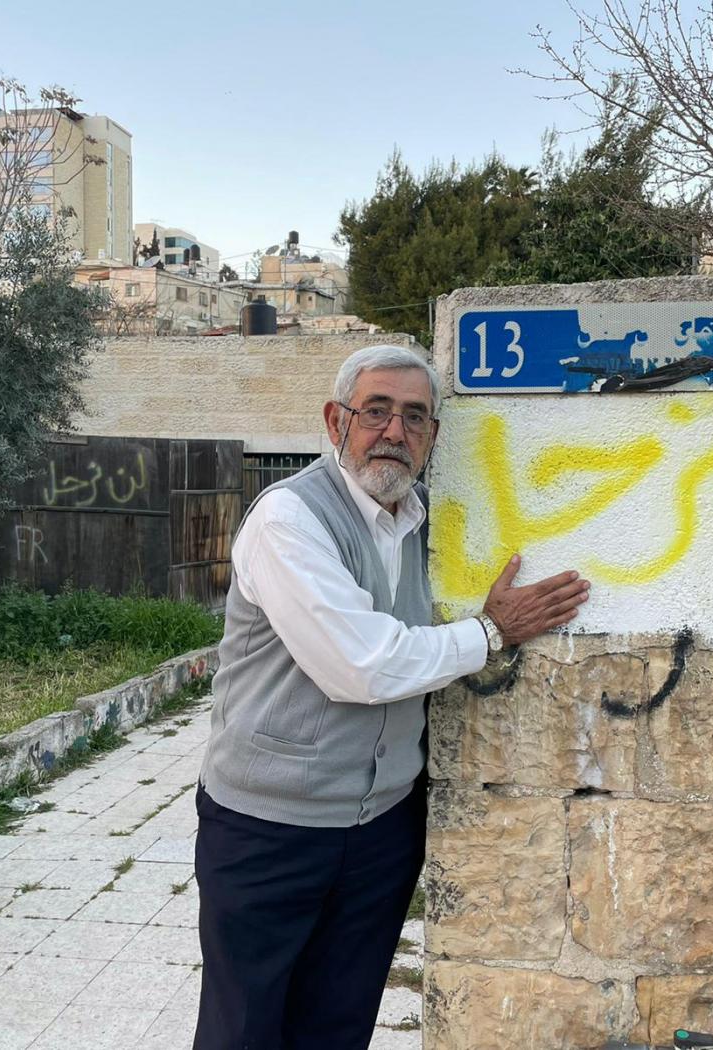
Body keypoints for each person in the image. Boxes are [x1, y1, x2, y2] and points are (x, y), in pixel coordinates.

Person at [194, 344, 590, 1050]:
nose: (394, 432)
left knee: (339, 1026)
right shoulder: (289, 519)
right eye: (375, 411)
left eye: (414, 417)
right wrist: (492, 632)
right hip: (269, 828)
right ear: (336, 421)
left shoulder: (422, 521)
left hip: (380, 830)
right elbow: (362, 666)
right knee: (244, 1030)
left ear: (433, 435)